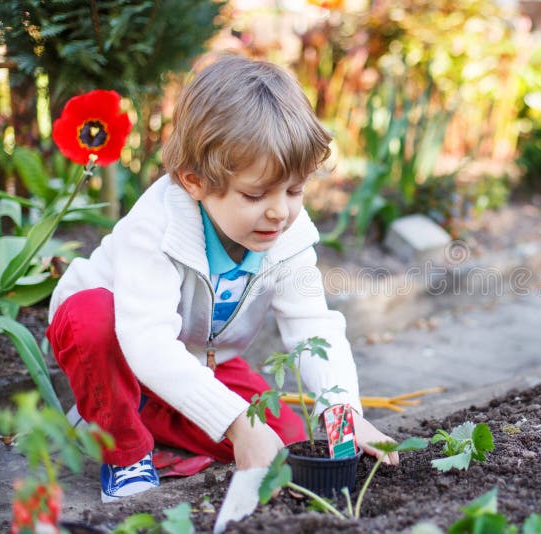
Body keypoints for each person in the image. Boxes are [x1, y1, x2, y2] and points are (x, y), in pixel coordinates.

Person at [46, 54, 397, 503]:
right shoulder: (156, 229)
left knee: (284, 442)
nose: (279, 211)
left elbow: (314, 328)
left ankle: (149, 413)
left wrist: (343, 413)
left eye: (294, 190)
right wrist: (236, 422)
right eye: (255, 194)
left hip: (199, 359)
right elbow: (147, 345)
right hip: (117, 345)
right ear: (194, 181)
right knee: (91, 315)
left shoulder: (287, 235)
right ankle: (123, 446)